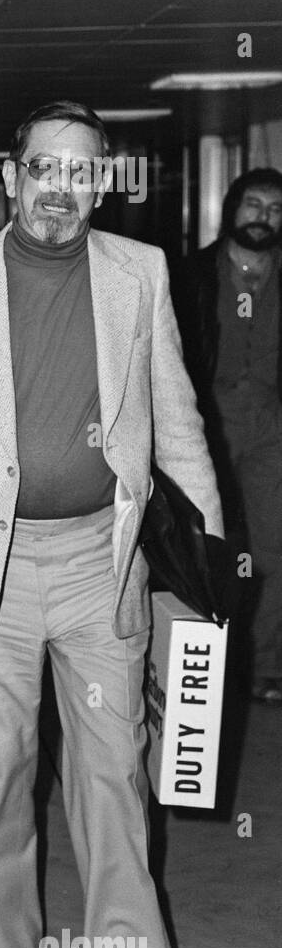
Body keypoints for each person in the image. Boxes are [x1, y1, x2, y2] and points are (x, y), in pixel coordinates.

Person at [0, 101, 222, 948]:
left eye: (81, 171)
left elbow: (176, 420)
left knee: (114, 771)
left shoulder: (140, 272)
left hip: (96, 562)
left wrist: (211, 568)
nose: (60, 188)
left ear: (102, 186)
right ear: (11, 178)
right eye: (44, 167)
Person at [174, 168, 282, 705]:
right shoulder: (193, 273)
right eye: (253, 204)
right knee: (205, 545)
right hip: (206, 421)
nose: (262, 216)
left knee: (271, 546)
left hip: (270, 426)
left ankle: (263, 667)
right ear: (231, 209)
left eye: (275, 208)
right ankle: (201, 664)